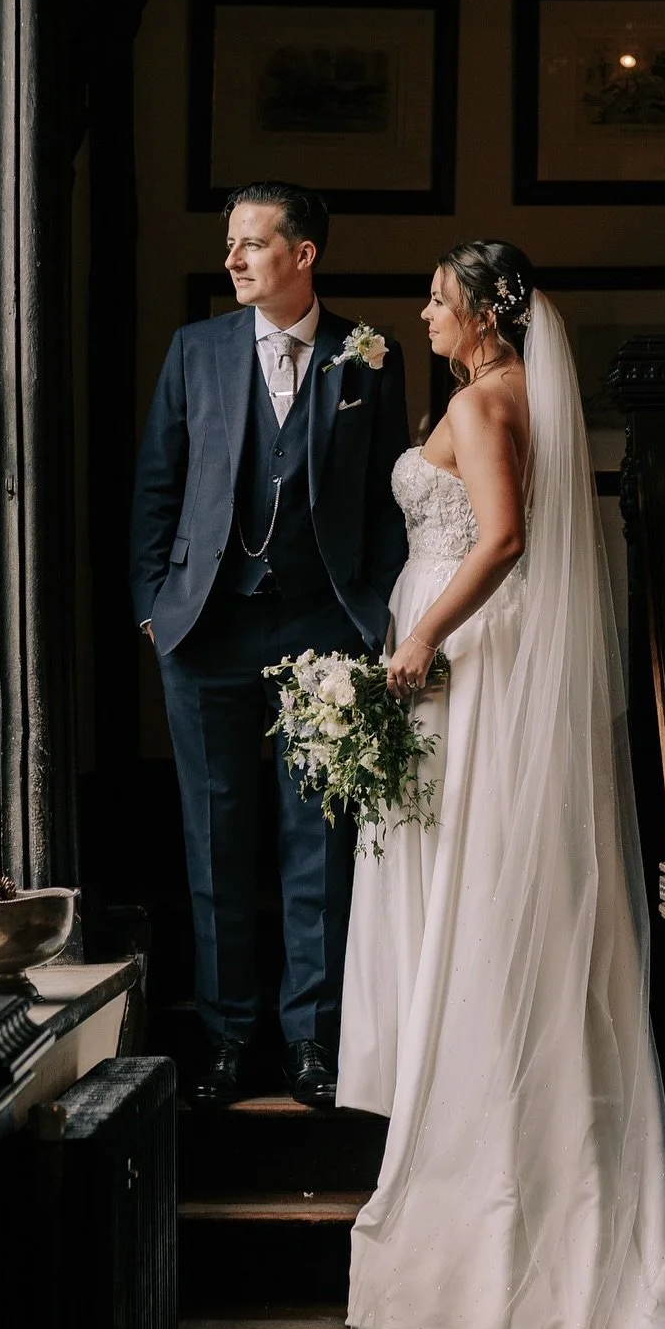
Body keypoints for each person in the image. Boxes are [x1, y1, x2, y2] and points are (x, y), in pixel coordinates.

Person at [312, 242, 665, 1329]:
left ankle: (465, 1122)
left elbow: (509, 537)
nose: (420, 310)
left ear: (478, 310)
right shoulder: (523, 393)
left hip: (469, 660)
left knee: (469, 890)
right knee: (494, 894)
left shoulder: (480, 401)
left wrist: (420, 636)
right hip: (492, 659)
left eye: (434, 295)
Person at [129, 181, 409, 1108]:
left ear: (304, 254)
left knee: (314, 847)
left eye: (253, 244)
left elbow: (383, 503)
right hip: (206, 629)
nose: (234, 260)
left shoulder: (370, 356)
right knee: (215, 844)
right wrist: (150, 608)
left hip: (323, 630)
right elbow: (157, 488)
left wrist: (373, 612)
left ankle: (312, 1044)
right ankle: (227, 1039)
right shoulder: (196, 350)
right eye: (230, 245)